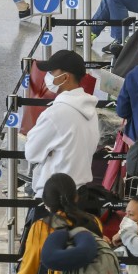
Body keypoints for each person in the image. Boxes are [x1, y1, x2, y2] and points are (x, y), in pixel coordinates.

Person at [0, 174, 100, 274]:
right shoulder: (93, 221)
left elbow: (28, 268)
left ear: (47, 203)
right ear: (76, 197)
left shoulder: (41, 227)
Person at [26, 49, 100, 198]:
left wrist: (49, 152)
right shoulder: (91, 111)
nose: (48, 77)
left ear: (65, 77)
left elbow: (31, 152)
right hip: (80, 193)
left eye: (52, 72)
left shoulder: (56, 113)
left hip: (53, 197)